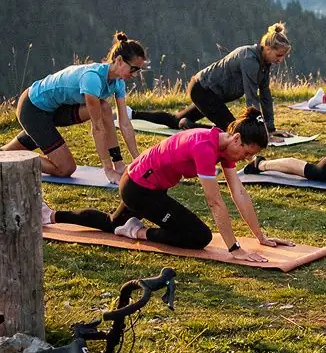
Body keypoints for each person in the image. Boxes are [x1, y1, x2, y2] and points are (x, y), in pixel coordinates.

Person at [53, 108, 290, 251]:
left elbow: (239, 193)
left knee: (112, 223)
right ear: (237, 139)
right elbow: (215, 202)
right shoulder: (205, 147)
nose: (245, 159)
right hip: (139, 189)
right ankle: (137, 231)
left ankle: (51, 215)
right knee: (199, 236)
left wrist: (261, 237)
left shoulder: (224, 146)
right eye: (247, 153)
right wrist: (234, 248)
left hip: (142, 185)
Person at [2, 32, 146, 182]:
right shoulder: (92, 79)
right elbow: (97, 128)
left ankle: (4, 154)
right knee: (66, 168)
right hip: (33, 109)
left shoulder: (118, 82)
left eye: (138, 71)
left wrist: (137, 161)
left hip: (57, 108)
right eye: (134, 69)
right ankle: (14, 158)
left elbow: (125, 124)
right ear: (119, 60)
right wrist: (108, 170)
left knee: (104, 108)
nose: (135, 75)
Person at [139, 23, 292, 137]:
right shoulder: (249, 59)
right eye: (279, 55)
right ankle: (189, 126)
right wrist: (261, 132)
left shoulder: (265, 63)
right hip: (202, 89)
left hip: (212, 95)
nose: (281, 59)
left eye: (283, 56)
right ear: (267, 48)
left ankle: (133, 114)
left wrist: (270, 128)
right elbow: (252, 98)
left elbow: (265, 95)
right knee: (235, 133)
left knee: (174, 120)